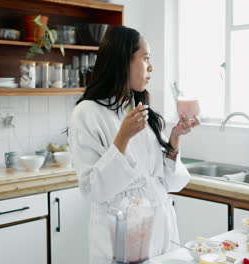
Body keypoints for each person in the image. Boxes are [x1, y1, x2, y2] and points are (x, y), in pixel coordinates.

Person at [69, 26, 200, 264]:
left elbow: (167, 182)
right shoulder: (87, 113)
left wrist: (174, 139)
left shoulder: (137, 108)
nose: (151, 67)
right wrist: (122, 138)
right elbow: (91, 189)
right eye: (146, 58)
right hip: (119, 233)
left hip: (160, 228)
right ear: (123, 60)